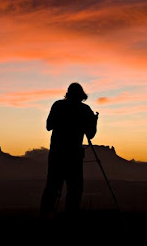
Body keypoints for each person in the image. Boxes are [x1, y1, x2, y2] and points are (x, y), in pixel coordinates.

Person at [40, 82, 98, 218]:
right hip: (74, 155)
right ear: (82, 96)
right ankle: (70, 217)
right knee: (75, 190)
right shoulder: (85, 110)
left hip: (57, 153)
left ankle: (44, 215)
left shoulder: (58, 105)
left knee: (52, 187)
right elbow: (91, 135)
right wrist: (94, 121)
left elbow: (49, 126)